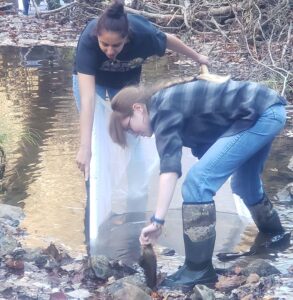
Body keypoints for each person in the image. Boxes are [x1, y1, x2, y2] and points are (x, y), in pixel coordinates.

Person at [108, 76, 288, 289]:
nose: (135, 134)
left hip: (262, 113)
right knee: (244, 184)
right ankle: (276, 237)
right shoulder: (165, 103)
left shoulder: (161, 108)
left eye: (129, 127)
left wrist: (157, 221)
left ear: (138, 108)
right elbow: (209, 148)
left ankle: (198, 269)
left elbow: (169, 169)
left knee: (196, 183)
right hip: (266, 110)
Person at [73, 0, 208, 179]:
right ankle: (96, 187)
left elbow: (168, 40)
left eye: (116, 45)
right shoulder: (88, 41)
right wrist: (85, 147)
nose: (110, 51)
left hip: (125, 84)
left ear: (127, 38)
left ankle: (135, 185)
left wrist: (198, 57)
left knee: (131, 133)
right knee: (95, 136)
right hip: (94, 81)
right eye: (104, 44)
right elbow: (88, 99)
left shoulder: (143, 34)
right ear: (97, 36)